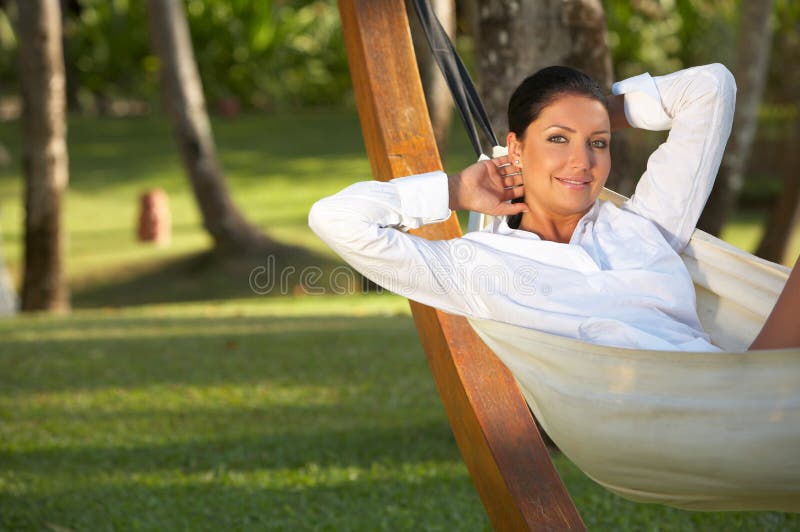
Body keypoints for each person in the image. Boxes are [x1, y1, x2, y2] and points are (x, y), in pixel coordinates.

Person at [309, 63, 795, 351]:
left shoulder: (647, 226)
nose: (581, 162)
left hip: (747, 393)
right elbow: (335, 219)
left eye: (598, 143)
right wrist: (454, 190)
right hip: (682, 416)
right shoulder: (480, 267)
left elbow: (711, 86)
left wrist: (596, 113)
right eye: (558, 139)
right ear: (514, 148)